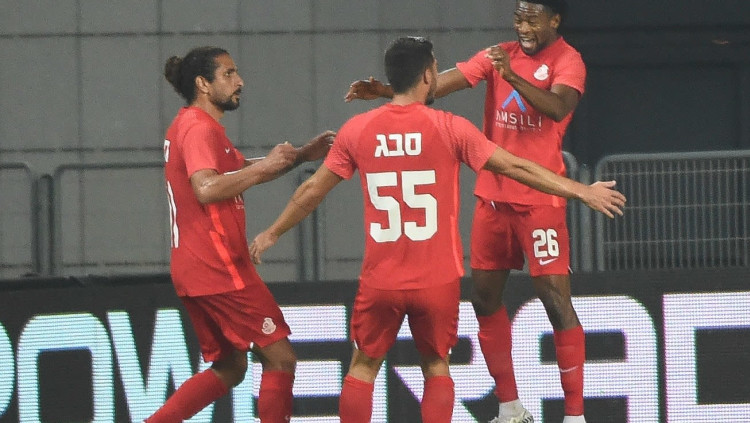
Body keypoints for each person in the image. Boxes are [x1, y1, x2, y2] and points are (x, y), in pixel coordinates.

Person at [251, 37, 624, 423]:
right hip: (437, 280)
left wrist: (272, 232)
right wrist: (580, 190)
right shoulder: (450, 128)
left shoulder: (358, 130)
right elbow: (516, 166)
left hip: (381, 278)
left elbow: (311, 190)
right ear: (429, 75)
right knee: (436, 367)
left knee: (362, 368)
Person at [345, 1, 587, 422]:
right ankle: (510, 408)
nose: (522, 26)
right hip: (493, 198)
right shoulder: (498, 54)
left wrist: (512, 78)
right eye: (518, 17)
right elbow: (436, 86)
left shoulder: (568, 61)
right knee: (484, 299)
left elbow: (558, 108)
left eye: (532, 18)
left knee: (555, 301)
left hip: (539, 200)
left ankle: (575, 414)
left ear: (554, 20)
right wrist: (389, 92)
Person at [150, 46, 335, 423]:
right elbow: (206, 188)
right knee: (281, 359)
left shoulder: (190, 124)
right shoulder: (199, 128)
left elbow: (239, 171)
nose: (240, 81)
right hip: (219, 266)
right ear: (203, 84)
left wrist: (300, 156)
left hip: (194, 268)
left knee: (230, 367)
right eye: (229, 74)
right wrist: (266, 167)